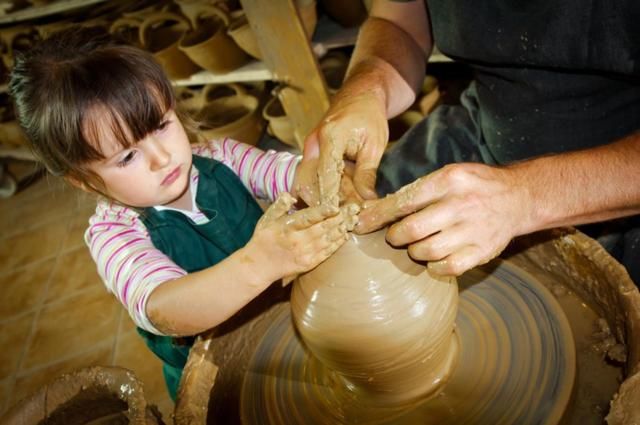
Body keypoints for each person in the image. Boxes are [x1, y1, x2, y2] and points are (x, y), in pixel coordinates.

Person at [9, 26, 349, 400]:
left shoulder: (222, 158)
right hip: (221, 378)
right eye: (127, 157)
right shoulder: (114, 237)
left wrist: (327, 172)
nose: (162, 158)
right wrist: (259, 264)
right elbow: (164, 308)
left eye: (161, 125)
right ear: (84, 182)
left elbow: (291, 176)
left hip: (285, 328)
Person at [306, 0, 640, 281]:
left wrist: (526, 195)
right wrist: (368, 87)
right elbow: (399, 23)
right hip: (491, 119)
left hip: (619, 170)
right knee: (349, 235)